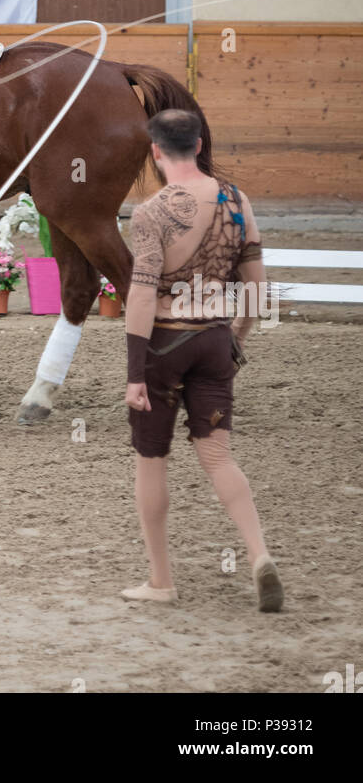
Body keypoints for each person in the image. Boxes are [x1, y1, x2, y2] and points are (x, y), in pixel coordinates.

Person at [123, 109, 284, 613]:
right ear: (197, 145)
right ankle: (258, 554)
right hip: (215, 338)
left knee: (152, 461)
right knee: (219, 457)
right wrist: (236, 335)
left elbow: (142, 296)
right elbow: (258, 288)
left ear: (155, 151)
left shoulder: (150, 213)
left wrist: (134, 372)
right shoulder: (237, 200)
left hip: (165, 343)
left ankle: (161, 580)